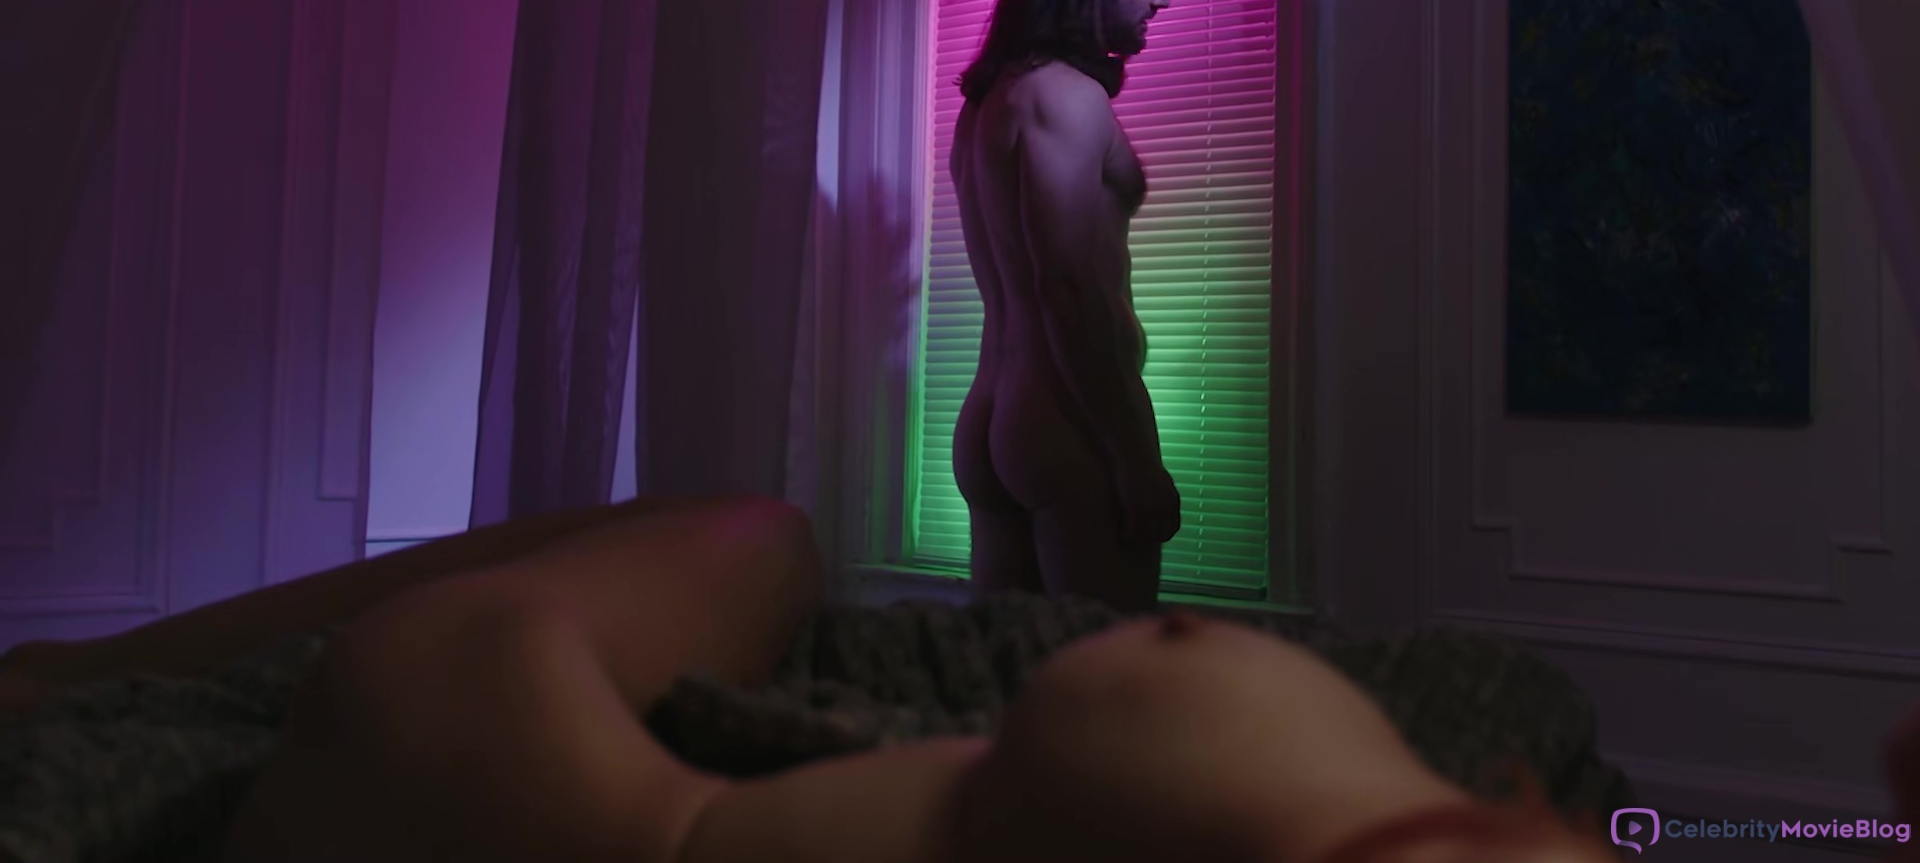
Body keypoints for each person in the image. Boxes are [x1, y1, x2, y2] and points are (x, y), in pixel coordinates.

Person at [0, 495, 1624, 863]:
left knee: (758, 535)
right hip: (528, 754)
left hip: (530, 770)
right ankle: (67, 665)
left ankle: (69, 668)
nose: (1161, 0)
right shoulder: (1054, 111)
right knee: (758, 536)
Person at [950, 0, 1180, 612]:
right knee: (1106, 668)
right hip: (1067, 423)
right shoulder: (1067, 98)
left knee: (1009, 670)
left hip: (995, 414)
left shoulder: (986, 105)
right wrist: (1134, 459)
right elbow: (1069, 288)